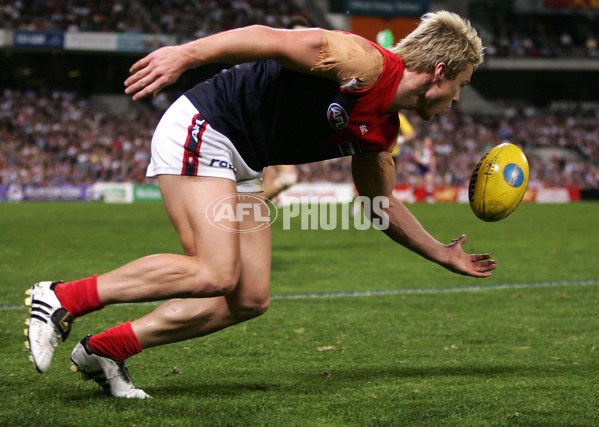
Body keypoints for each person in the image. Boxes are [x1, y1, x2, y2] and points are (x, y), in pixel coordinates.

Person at [24, 11, 496, 398]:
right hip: (206, 124)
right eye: (463, 82)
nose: (458, 97)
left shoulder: (382, 130)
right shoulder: (365, 61)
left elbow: (378, 203)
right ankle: (62, 298)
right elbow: (267, 38)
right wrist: (185, 54)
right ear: (440, 72)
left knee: (248, 298)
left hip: (245, 162)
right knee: (214, 271)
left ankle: (106, 349)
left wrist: (442, 252)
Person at [261, 16, 312, 200]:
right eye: (295, 35)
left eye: (304, 35)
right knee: (287, 177)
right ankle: (246, 209)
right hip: (262, 126)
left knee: (268, 180)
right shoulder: (274, 63)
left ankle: (249, 215)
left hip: (280, 130)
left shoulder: (309, 70)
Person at [414, 135, 437, 202]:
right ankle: (413, 193)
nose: (429, 143)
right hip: (421, 166)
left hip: (427, 167)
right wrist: (423, 162)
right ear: (424, 142)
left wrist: (433, 166)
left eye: (430, 141)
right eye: (428, 141)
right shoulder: (419, 149)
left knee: (429, 180)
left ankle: (429, 197)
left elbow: (433, 158)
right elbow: (417, 157)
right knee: (419, 183)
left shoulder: (431, 150)